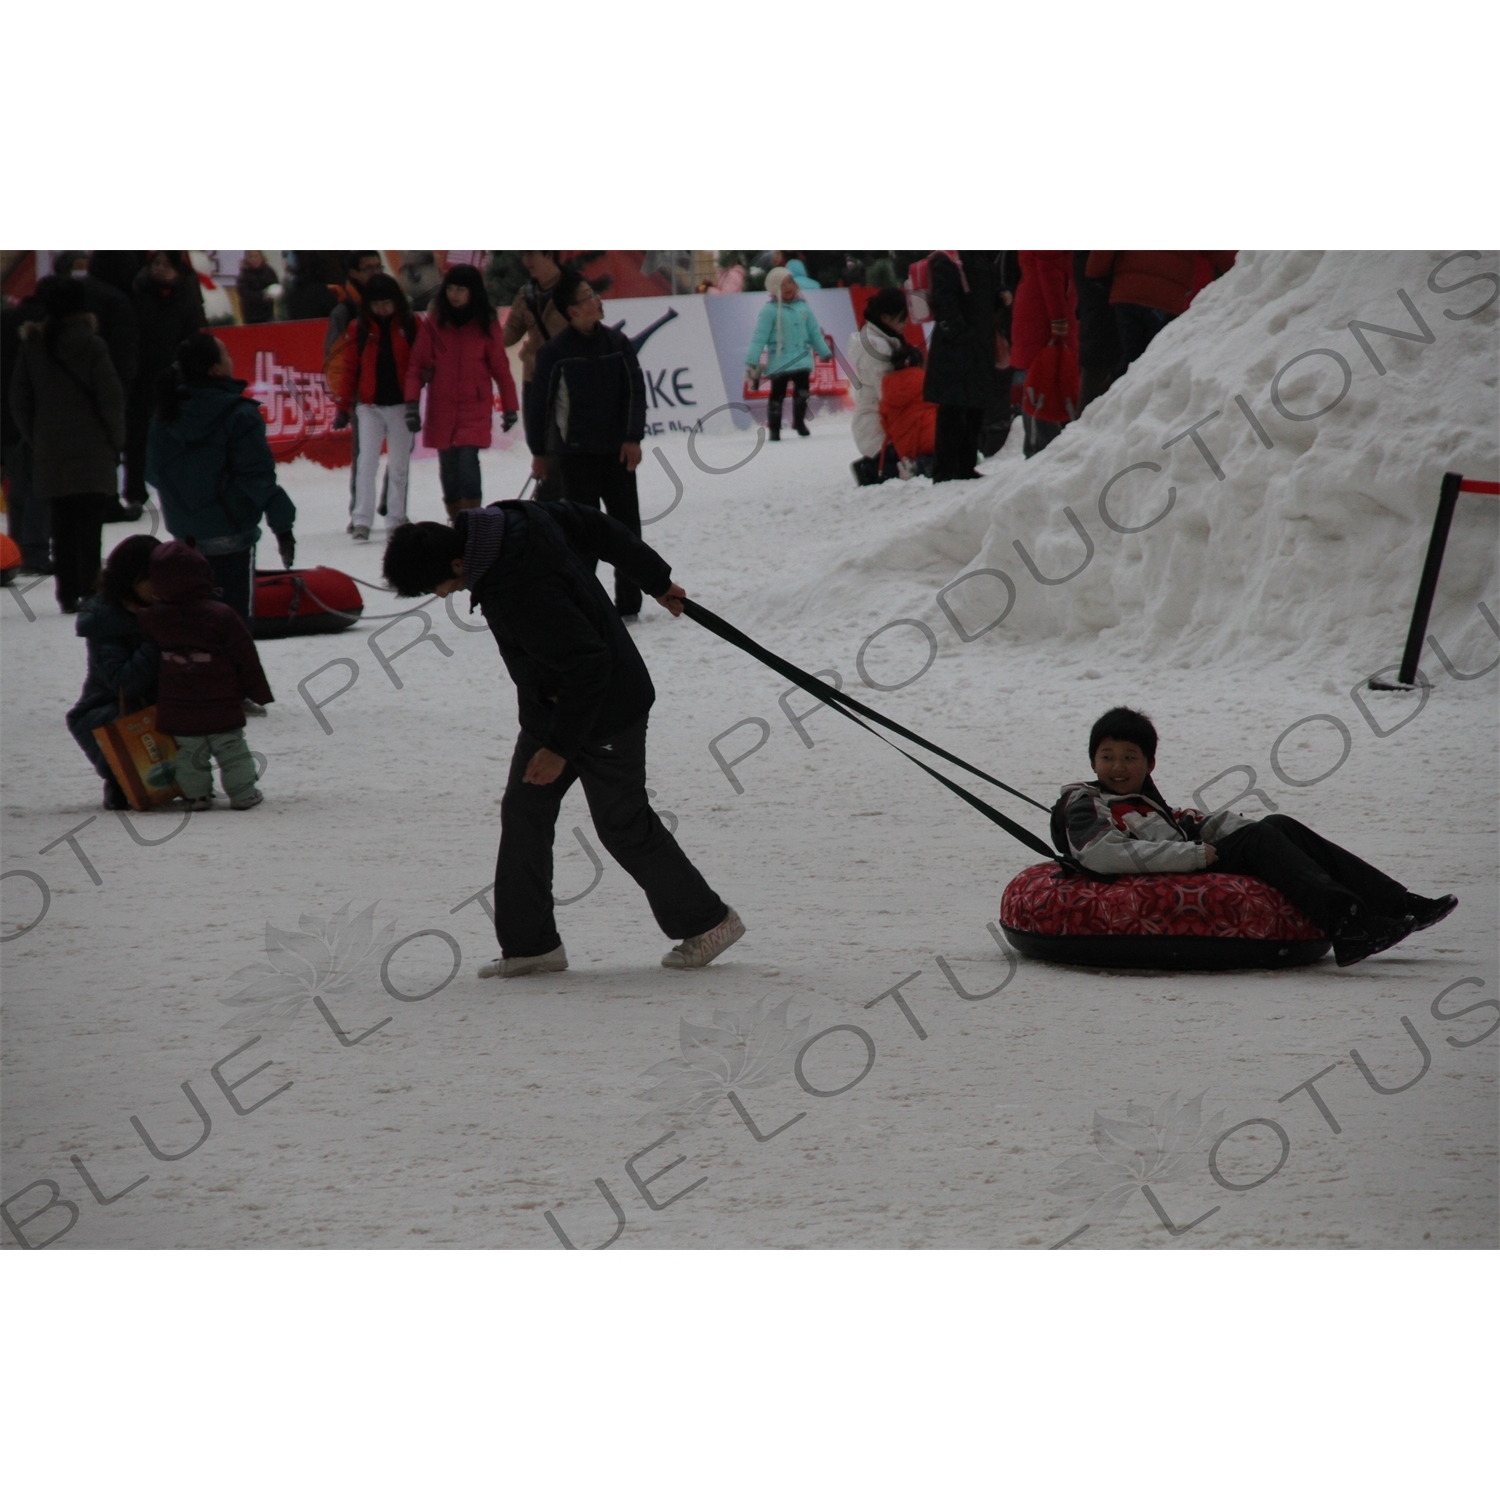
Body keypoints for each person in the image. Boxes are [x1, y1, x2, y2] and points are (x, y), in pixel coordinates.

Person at [382, 503, 744, 975]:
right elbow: (601, 528)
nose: (449, 594)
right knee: (525, 810)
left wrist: (558, 749)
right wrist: (655, 580)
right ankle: (531, 945)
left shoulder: (517, 586)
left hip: (608, 707)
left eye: (444, 587)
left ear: (457, 563)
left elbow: (589, 664)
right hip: (551, 709)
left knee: (622, 823)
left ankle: (709, 922)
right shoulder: (515, 518)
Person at [1056, 706, 1458, 968]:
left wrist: (1245, 828)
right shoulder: (1087, 801)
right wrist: (1193, 857)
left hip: (1189, 859)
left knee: (1277, 825)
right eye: (1107, 756)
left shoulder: (1146, 801)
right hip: (1178, 870)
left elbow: (1192, 823)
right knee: (1258, 840)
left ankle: (1399, 903)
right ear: (1093, 760)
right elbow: (1102, 854)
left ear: (1150, 763)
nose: (1118, 766)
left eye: (1130, 756)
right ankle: (1347, 923)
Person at [146, 332, 297, 627]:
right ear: (216, 370)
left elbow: (152, 472)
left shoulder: (165, 414)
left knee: (196, 628)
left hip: (184, 538)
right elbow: (257, 478)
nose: (231, 357)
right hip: (231, 537)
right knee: (235, 629)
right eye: (226, 353)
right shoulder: (239, 415)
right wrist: (283, 525)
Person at [527, 279, 648, 616]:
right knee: (583, 535)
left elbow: (635, 393)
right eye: (589, 297)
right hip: (574, 457)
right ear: (573, 310)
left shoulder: (617, 343)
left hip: (617, 453)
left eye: (595, 294)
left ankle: (629, 604)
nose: (597, 300)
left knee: (627, 530)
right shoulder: (555, 353)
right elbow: (540, 406)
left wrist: (633, 437)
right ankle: (587, 605)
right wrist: (539, 451)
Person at [8, 276, 127, 612]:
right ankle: (91, 587)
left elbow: (19, 399)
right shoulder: (92, 345)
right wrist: (115, 440)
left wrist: (37, 437)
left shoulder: (33, 345)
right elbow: (111, 399)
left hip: (51, 450)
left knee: (60, 522)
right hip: (93, 450)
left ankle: (66, 591)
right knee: (90, 523)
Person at [138, 541, 272, 811]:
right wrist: (257, 691)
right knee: (232, 749)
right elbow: (245, 656)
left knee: (189, 753)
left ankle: (195, 795)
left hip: (178, 702)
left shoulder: (153, 618)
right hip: (221, 699)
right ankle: (243, 793)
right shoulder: (220, 615)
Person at [405, 263, 519, 521]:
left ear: (473, 293)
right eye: (451, 289)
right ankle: (457, 519)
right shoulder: (435, 325)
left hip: (474, 407)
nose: (454, 295)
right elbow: (416, 366)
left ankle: (473, 519)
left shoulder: (486, 326)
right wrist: (411, 403)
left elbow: (501, 368)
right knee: (448, 469)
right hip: (442, 408)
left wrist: (510, 407)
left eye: (461, 289)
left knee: (468, 463)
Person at [66, 534, 162, 809]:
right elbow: (123, 683)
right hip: (110, 712)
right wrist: (156, 639)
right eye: (149, 578)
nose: (159, 585)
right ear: (130, 579)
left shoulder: (170, 608)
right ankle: (120, 779)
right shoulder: (106, 620)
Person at [328, 273, 416, 540]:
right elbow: (350, 368)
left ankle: (396, 519)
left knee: (399, 465)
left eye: (387, 304)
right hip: (369, 407)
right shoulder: (359, 328)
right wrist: (343, 407)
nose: (382, 310)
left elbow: (420, 365)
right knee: (366, 461)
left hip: (402, 407)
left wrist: (414, 402)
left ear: (397, 302)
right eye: (376, 305)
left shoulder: (412, 326)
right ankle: (361, 519)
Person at [126, 253, 204, 512]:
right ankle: (135, 492)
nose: (160, 269)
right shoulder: (137, 294)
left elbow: (192, 339)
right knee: (137, 438)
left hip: (172, 378)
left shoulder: (186, 300)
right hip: (140, 377)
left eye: (166, 264)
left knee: (176, 436)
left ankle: (181, 488)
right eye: (156, 264)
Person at [1084, 252, 1237, 374]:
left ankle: (1121, 405)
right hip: (1166, 298)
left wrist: (1095, 272)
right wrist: (1242, 268)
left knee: (1130, 355)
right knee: (1156, 359)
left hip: (1128, 291)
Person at [922, 251, 999, 482]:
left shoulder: (981, 259)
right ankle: (945, 470)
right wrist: (959, 333)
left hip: (975, 344)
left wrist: (1001, 294)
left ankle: (965, 466)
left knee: (975, 407)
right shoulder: (948, 258)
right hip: (957, 347)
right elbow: (944, 300)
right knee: (953, 409)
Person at [324, 253, 384, 524]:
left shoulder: (392, 302)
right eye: (368, 268)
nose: (375, 272)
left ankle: (388, 502)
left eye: (378, 266)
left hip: (393, 389)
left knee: (401, 454)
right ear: (353, 274)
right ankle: (359, 510)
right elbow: (334, 360)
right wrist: (344, 401)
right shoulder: (344, 312)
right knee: (364, 456)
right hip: (362, 395)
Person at [745, 267, 830, 440]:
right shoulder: (769, 311)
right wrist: (752, 359)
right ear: (774, 289)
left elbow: (814, 332)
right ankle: (774, 428)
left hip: (801, 359)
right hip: (780, 361)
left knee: (802, 392)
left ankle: (799, 421)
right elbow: (759, 337)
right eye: (783, 285)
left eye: (790, 282)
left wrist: (823, 351)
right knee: (777, 395)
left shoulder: (803, 307)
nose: (788, 288)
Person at [849, 287, 922, 486]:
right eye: (901, 318)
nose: (905, 324)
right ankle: (871, 468)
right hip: (877, 428)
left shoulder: (886, 340)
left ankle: (876, 466)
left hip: (882, 423)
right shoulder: (875, 348)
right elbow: (890, 396)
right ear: (885, 318)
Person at [1009, 250, 1078, 458]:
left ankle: (1036, 448)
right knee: (1045, 382)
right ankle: (1041, 453)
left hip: (1035, 309)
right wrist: (1059, 318)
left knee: (1036, 383)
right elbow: (1050, 272)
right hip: (1046, 316)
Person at [2, 288, 50, 575]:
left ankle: (17, 549)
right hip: (35, 418)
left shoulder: (6, 323)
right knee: (38, 487)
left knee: (18, 486)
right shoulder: (41, 333)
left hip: (6, 419)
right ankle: (34, 552)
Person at [235, 251, 281, 325]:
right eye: (251, 257)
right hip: (251, 315)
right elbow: (244, 293)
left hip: (268, 313)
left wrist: (274, 292)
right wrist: (262, 295)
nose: (254, 259)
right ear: (246, 259)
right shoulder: (244, 275)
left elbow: (275, 285)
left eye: (256, 256)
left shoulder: (268, 271)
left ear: (261, 257)